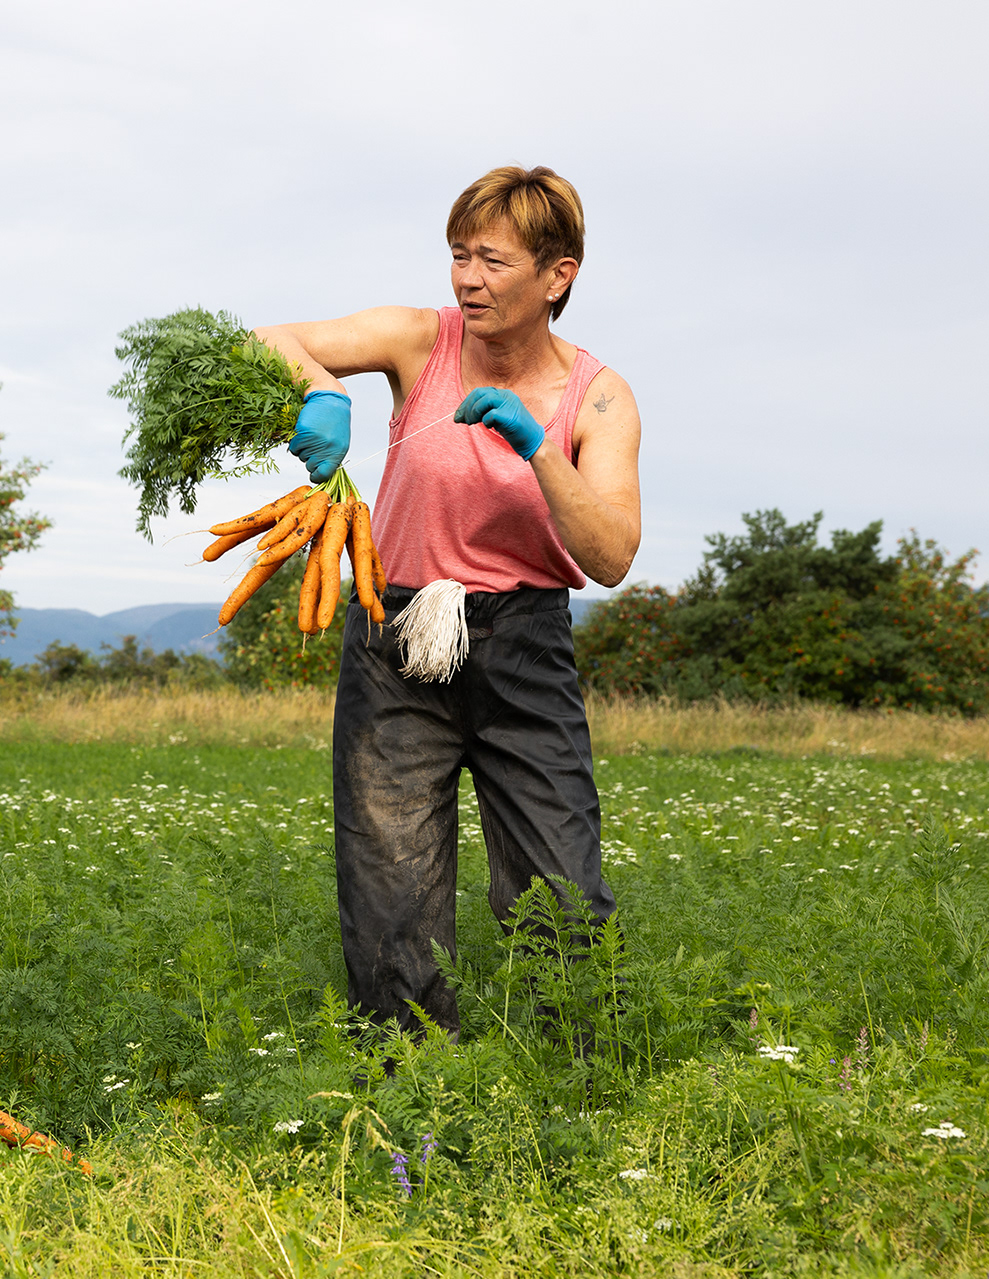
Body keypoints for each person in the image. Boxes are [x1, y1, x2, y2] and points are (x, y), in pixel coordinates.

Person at [253, 165, 641, 1040]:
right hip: (396, 638)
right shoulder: (417, 341)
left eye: (493, 261)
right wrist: (318, 387)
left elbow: (612, 553)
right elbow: (258, 337)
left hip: (524, 647)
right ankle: (416, 1093)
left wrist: (540, 451)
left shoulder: (601, 398)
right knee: (391, 892)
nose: (468, 278)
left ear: (558, 274)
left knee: (563, 892)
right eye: (459, 256)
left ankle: (574, 1080)